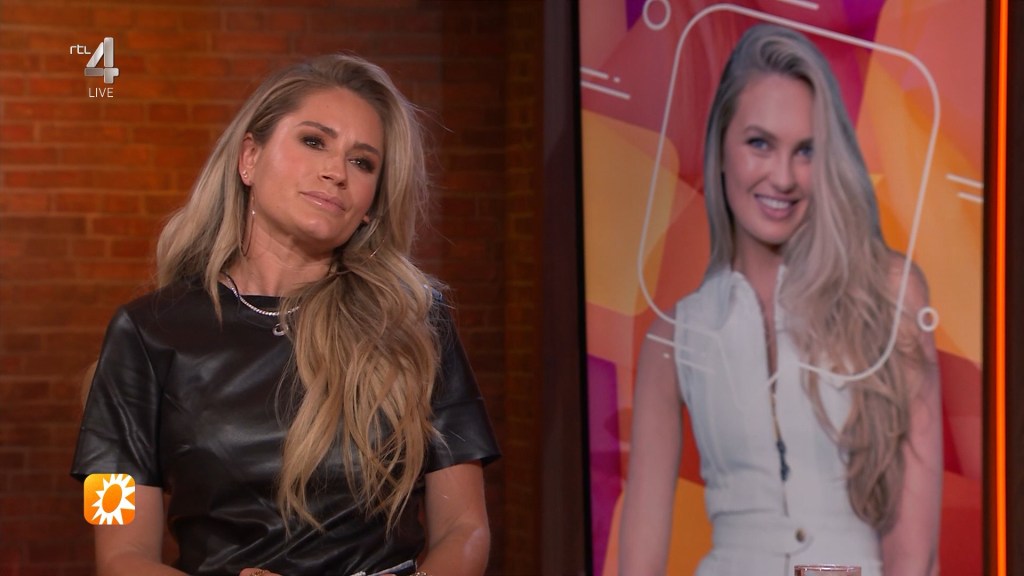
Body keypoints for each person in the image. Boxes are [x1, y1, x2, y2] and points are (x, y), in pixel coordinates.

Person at [71, 53, 500, 576]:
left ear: (371, 204)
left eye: (362, 162)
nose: (335, 172)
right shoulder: (143, 333)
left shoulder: (416, 321)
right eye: (314, 141)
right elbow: (119, 555)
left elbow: (466, 530)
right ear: (249, 158)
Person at [618, 24, 942, 576]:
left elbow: (916, 555)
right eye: (760, 144)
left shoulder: (890, 293)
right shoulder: (675, 337)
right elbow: (639, 563)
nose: (783, 177)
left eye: (805, 151)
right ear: (722, 148)